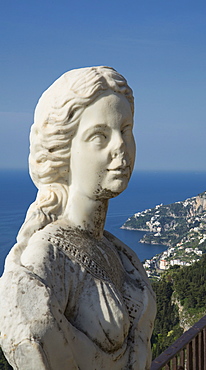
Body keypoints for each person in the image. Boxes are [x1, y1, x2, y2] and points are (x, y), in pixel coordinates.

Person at [0, 67, 156, 369]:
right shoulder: (47, 259)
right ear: (62, 151)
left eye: (125, 129)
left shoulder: (121, 254)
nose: (120, 147)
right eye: (100, 136)